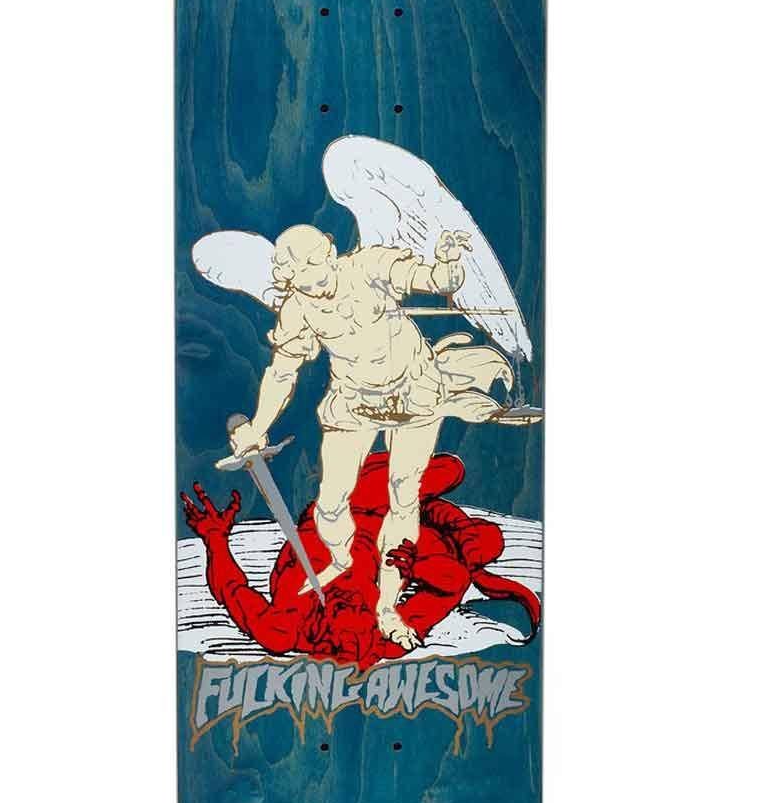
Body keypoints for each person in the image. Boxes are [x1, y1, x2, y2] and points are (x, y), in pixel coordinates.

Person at [226, 225, 513, 647]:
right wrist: (258, 427)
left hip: (414, 391)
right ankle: (342, 560)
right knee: (329, 505)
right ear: (290, 279)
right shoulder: (298, 308)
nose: (316, 287)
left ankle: (387, 606)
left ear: (330, 254)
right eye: (303, 280)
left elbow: (439, 281)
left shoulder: (370, 265)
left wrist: (448, 259)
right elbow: (283, 372)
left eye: (318, 273)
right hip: (354, 400)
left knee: (403, 495)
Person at [181, 452, 540, 671]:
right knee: (471, 517)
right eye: (359, 610)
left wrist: (215, 538)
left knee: (451, 483)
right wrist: (416, 566)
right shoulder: (389, 637)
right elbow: (453, 584)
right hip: (389, 532)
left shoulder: (282, 628)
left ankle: (436, 513)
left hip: (347, 507)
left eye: (344, 609)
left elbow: (232, 589)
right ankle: (439, 516)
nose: (351, 599)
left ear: (324, 630)